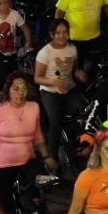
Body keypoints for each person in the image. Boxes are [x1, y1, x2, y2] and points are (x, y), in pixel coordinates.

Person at [0, 73, 54, 214]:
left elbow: (38, 135)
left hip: (26, 160)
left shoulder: (34, 107)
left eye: (24, 89)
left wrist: (47, 157)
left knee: (41, 181)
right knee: (3, 203)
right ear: (8, 89)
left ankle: (33, 210)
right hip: (2, 163)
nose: (20, 93)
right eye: (15, 89)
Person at [33, 17, 81, 160]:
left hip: (70, 88)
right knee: (55, 122)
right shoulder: (45, 53)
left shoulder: (72, 49)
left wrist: (79, 75)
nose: (62, 36)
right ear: (51, 34)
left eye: (65, 32)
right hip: (50, 91)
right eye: (58, 32)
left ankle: (81, 148)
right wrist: (54, 82)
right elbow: (37, 78)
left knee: (82, 116)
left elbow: (75, 70)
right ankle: (53, 159)